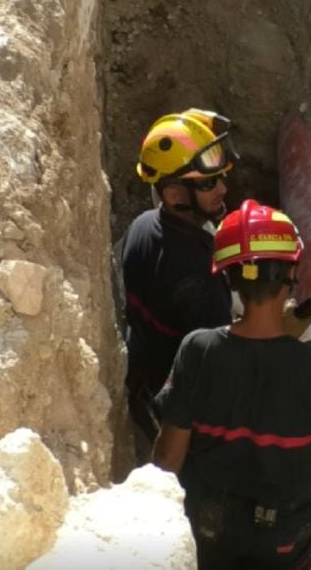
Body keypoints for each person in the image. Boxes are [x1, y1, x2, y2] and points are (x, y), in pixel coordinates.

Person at [152, 199, 311, 570]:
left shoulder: (197, 349)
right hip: (284, 537)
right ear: (290, 275)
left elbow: (167, 458)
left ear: (229, 277)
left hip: (208, 526)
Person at [121, 108, 239, 451]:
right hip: (180, 418)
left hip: (145, 379)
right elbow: (220, 374)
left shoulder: (143, 224)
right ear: (174, 196)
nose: (223, 188)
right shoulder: (201, 276)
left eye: (220, 177)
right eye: (207, 183)